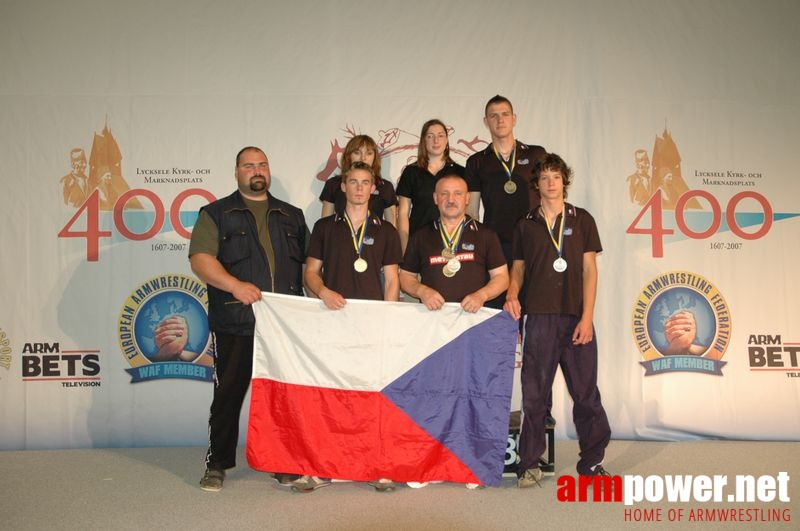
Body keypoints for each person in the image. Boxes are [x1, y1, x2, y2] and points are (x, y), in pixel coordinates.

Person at [189, 146, 308, 492]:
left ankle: (281, 461)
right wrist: (235, 286)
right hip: (235, 320)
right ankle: (217, 463)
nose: (256, 171)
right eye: (248, 166)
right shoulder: (216, 213)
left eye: (262, 165)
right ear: (237, 172)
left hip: (283, 326)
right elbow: (200, 259)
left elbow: (310, 268)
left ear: (268, 171)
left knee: (279, 397)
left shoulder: (292, 216)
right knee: (228, 395)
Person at [503, 153, 611, 488]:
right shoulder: (525, 224)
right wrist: (511, 294)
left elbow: (589, 270)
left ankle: (592, 462)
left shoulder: (582, 220)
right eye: (545, 177)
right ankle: (529, 463)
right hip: (538, 318)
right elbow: (518, 270)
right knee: (534, 395)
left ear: (565, 180)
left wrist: (588, 317)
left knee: (586, 394)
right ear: (536, 184)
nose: (551, 182)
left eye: (556, 176)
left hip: (576, 318)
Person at [400, 172, 509, 490]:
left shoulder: (486, 235)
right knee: (430, 396)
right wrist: (421, 290)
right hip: (431, 330)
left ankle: (469, 466)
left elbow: (501, 277)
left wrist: (481, 295)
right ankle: (426, 465)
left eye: (458, 193)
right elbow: (406, 277)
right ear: (435, 199)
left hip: (472, 329)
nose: (451, 199)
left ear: (466, 199)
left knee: (470, 395)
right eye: (444, 193)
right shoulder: (421, 236)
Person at [302, 160, 403, 492]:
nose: (359, 188)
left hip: (372, 325)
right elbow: (311, 273)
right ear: (342, 187)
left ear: (373, 188)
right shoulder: (324, 228)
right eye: (353, 182)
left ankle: (379, 464)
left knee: (374, 397)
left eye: (365, 182)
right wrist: (324, 291)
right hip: (333, 321)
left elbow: (392, 280)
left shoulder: (386, 231)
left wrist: (388, 320)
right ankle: (319, 466)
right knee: (331, 396)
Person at [396, 119, 465, 252]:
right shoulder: (411, 172)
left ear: (446, 141)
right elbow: (403, 213)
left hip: (453, 243)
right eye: (430, 136)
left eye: (440, 136)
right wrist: (405, 250)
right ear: (423, 141)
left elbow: (465, 210)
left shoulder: (460, 172)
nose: (436, 141)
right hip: (419, 244)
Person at [319, 134, 398, 226]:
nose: (363, 158)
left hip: (375, 239)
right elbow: (324, 226)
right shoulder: (333, 184)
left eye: (369, 153)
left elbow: (392, 229)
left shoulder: (385, 187)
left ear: (375, 157)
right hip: (340, 238)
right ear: (348, 156)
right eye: (357, 153)